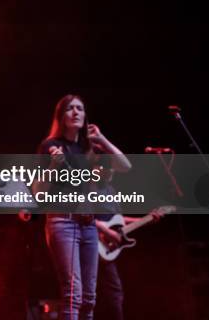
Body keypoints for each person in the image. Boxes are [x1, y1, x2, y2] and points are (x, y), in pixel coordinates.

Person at [36, 94, 130, 320]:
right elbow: (38, 191)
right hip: (63, 222)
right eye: (70, 108)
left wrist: (103, 140)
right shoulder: (50, 146)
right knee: (73, 295)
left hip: (88, 225)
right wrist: (52, 167)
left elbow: (125, 165)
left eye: (80, 108)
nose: (76, 112)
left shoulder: (89, 148)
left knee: (89, 297)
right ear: (61, 116)